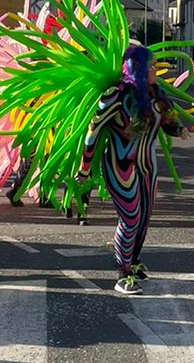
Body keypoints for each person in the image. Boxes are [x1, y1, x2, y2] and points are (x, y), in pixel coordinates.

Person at [77, 43, 182, 295]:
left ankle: (133, 263)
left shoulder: (154, 94)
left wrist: (178, 129)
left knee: (144, 219)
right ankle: (122, 274)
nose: (156, 68)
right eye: (151, 65)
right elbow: (93, 132)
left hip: (148, 167)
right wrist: (85, 168)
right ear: (138, 68)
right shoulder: (115, 95)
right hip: (120, 165)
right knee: (130, 218)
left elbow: (163, 121)